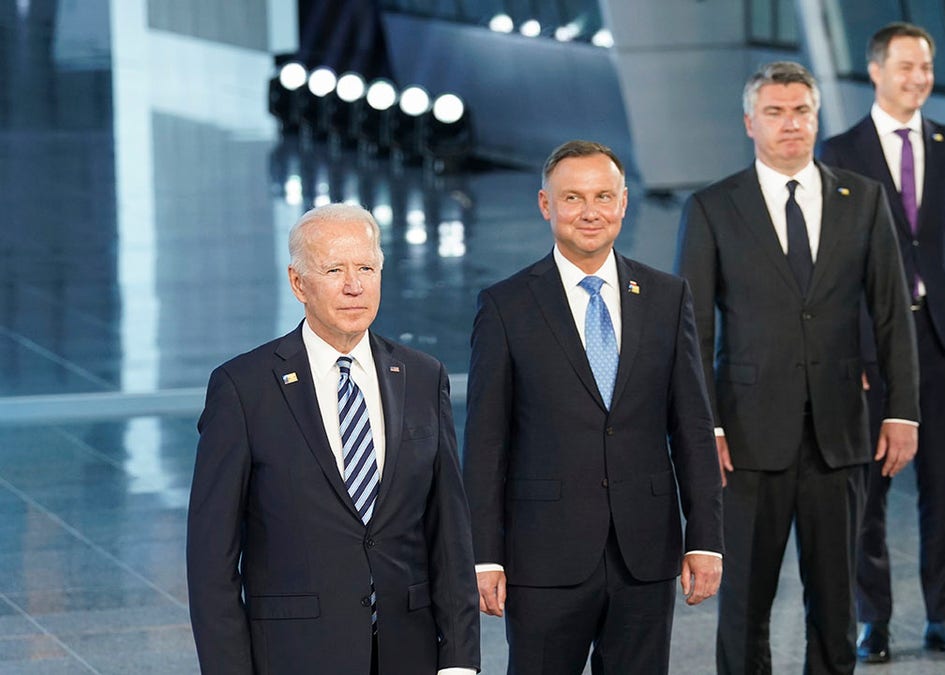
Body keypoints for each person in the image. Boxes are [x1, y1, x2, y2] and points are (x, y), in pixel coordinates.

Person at [676, 62, 919, 675]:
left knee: (836, 606)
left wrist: (901, 411)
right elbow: (693, 332)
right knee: (745, 606)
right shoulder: (712, 207)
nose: (791, 125)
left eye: (802, 111)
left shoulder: (861, 199)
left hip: (841, 436)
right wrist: (705, 429)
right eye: (776, 113)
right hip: (748, 438)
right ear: (750, 123)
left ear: (817, 117)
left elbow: (891, 313)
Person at [464, 140, 724, 674]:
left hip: (645, 554)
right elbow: (486, 444)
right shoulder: (506, 306)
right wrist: (484, 555)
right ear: (545, 204)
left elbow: (693, 428)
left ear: (624, 202)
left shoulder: (667, 297)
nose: (590, 212)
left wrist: (706, 540)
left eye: (604, 196)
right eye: (573, 197)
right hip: (543, 557)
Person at [187, 203, 480, 675]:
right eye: (334, 269)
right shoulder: (244, 389)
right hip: (294, 655)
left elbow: (449, 532)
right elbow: (211, 560)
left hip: (411, 653)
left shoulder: (424, 377)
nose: (354, 285)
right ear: (298, 283)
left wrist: (460, 661)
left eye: (366, 267)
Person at [819, 22, 945, 663]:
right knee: (870, 492)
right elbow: (835, 266)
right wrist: (857, 353)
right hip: (872, 349)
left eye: (925, 67)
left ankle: (944, 619)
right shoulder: (840, 151)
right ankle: (873, 622)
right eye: (905, 67)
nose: (917, 78)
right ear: (876, 71)